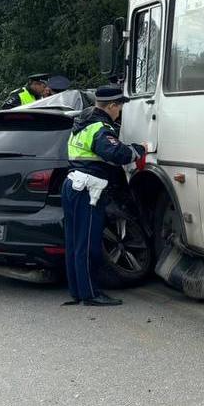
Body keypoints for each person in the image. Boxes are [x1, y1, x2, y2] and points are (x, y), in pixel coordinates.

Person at [61, 85, 146, 307]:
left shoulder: (81, 122)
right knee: (88, 243)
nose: (120, 113)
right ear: (112, 106)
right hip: (88, 189)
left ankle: (77, 291)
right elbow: (116, 153)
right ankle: (90, 294)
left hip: (72, 184)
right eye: (119, 108)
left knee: (74, 242)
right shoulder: (100, 127)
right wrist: (139, 149)